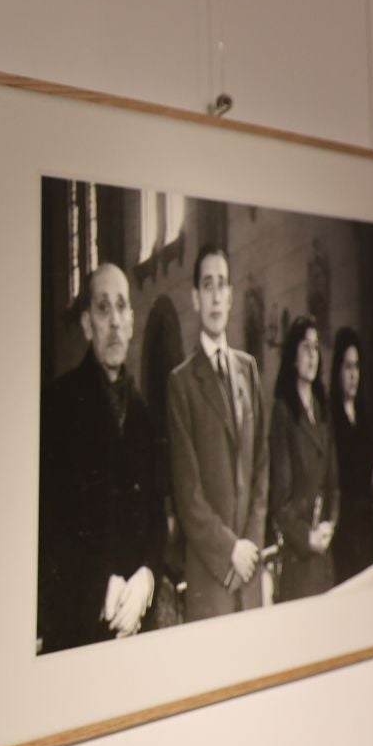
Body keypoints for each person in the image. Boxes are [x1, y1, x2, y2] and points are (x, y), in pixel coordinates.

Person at [37, 262, 166, 652]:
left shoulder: (145, 415)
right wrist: (101, 587)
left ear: (132, 320)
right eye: (102, 308)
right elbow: (48, 528)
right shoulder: (58, 404)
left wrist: (147, 578)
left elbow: (157, 517)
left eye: (121, 307)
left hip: (138, 624)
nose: (113, 321)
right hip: (83, 627)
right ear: (87, 324)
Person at [166, 244, 269, 620]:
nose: (215, 294)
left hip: (250, 573)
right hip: (212, 580)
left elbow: (261, 467)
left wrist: (251, 548)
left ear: (231, 296)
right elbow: (188, 493)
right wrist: (230, 551)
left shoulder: (249, 369)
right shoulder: (181, 383)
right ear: (195, 298)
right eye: (206, 285)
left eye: (222, 284)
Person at [269, 315, 338, 601]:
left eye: (316, 348)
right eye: (305, 348)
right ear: (293, 358)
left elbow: (334, 484)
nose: (313, 355)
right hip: (299, 559)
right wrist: (306, 537)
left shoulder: (323, 412)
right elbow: (280, 502)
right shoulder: (283, 413)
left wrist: (329, 525)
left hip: (324, 553)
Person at [330, 326, 373, 582]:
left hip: (367, 526)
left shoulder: (366, 417)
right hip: (343, 531)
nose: (353, 375)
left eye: (357, 367)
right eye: (348, 367)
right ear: (338, 370)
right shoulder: (331, 418)